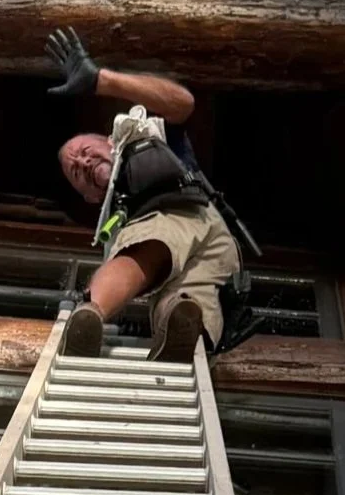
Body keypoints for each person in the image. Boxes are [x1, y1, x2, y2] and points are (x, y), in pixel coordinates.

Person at [47, 27, 241, 362]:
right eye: (76, 171)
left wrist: (101, 81)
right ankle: (110, 320)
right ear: (90, 198)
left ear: (109, 140)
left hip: (210, 228)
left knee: (171, 273)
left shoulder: (146, 137)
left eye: (85, 151)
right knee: (167, 276)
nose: (83, 162)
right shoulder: (120, 217)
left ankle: (116, 319)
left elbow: (183, 103)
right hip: (181, 234)